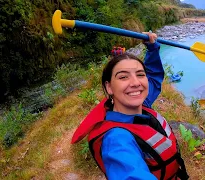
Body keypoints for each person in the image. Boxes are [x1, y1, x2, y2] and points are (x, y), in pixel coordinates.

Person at [71, 32, 188, 180]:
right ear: (109, 87)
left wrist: (152, 47)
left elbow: (153, 77)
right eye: (123, 77)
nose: (135, 83)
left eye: (140, 74)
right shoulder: (117, 141)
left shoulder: (141, 104)